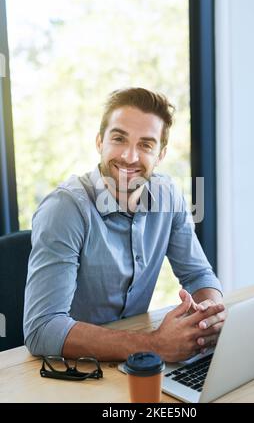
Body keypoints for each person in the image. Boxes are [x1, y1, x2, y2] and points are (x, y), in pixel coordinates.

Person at [24, 87, 226, 363]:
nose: (130, 156)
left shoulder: (167, 196)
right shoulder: (65, 209)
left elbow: (199, 276)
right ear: (100, 142)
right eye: (119, 139)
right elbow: (42, 328)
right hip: (72, 371)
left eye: (145, 144)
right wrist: (155, 345)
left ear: (161, 154)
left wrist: (208, 318)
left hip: (131, 364)